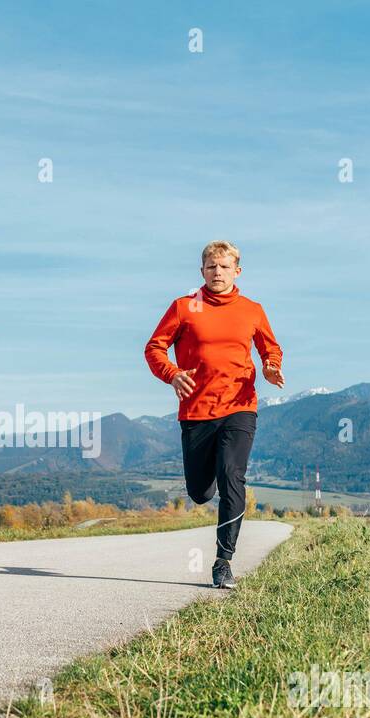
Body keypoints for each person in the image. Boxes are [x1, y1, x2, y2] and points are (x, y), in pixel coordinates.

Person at [144, 240, 284, 588]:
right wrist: (173, 374)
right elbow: (154, 347)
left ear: (237, 271)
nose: (217, 272)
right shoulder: (184, 308)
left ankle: (224, 561)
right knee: (200, 492)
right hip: (197, 411)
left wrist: (270, 366)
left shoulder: (252, 310)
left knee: (231, 476)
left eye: (224, 267)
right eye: (211, 267)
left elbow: (271, 347)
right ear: (202, 271)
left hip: (240, 407)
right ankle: (204, 490)